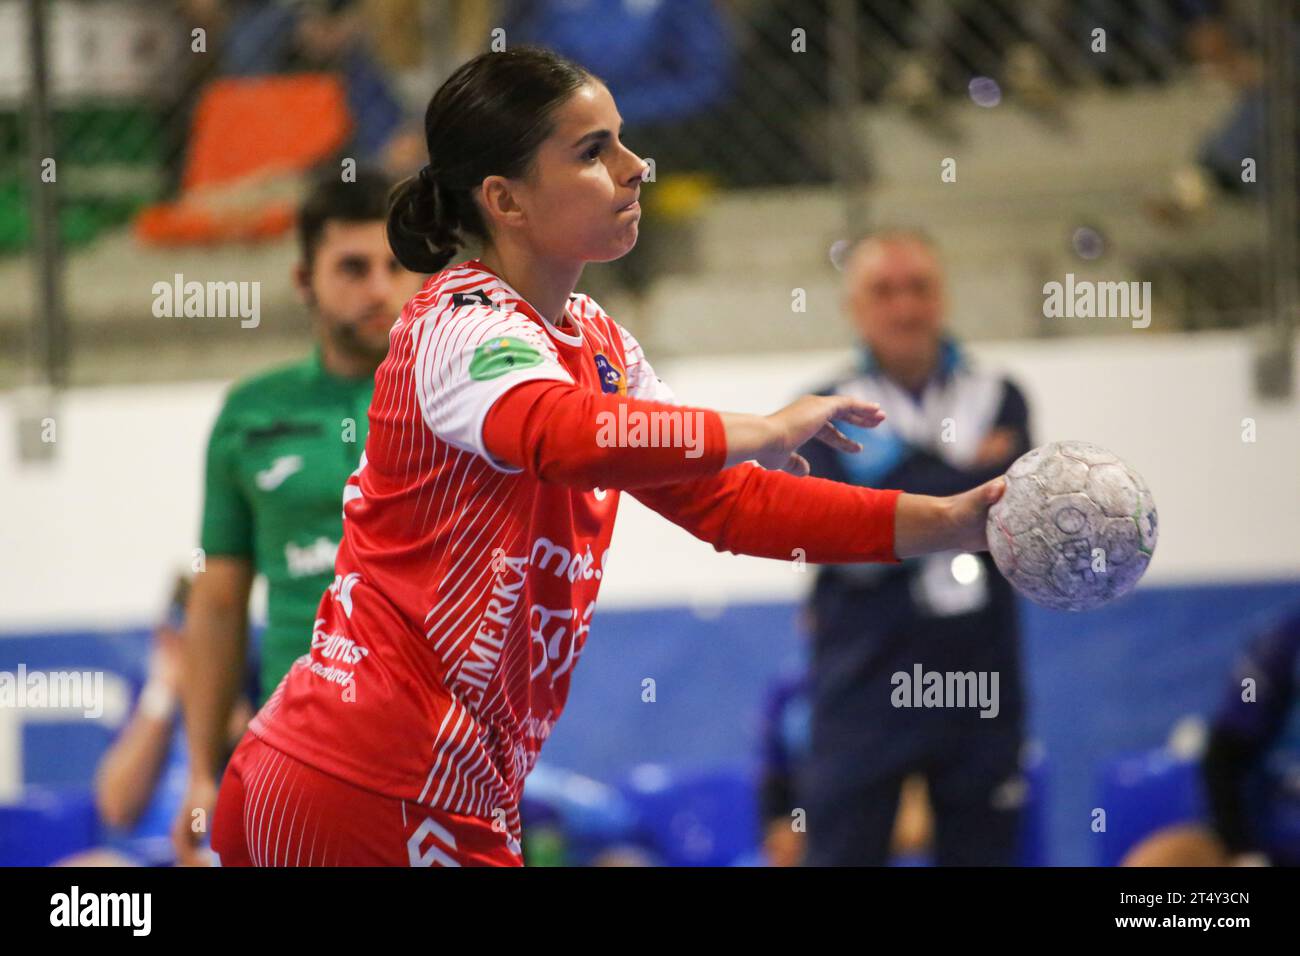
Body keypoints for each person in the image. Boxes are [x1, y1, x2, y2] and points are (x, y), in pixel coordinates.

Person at [209, 46, 1008, 868]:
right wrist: (765, 429)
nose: (634, 168)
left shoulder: (597, 342)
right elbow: (561, 435)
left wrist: (952, 523)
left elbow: (733, 505)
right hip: (360, 776)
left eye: (622, 141)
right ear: (505, 200)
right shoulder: (457, 326)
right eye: (593, 151)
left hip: (436, 787)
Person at [172, 167, 425, 865]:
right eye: (353, 267)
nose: (380, 288)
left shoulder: (461, 405)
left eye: (398, 266)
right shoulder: (249, 413)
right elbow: (219, 604)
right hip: (299, 758)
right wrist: (201, 773)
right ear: (304, 280)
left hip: (445, 758)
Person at [795, 231, 1033, 866]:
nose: (904, 308)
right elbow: (831, 530)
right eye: (883, 291)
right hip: (864, 682)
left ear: (944, 296)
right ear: (854, 307)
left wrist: (890, 484)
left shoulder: (1000, 396)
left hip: (978, 679)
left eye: (919, 288)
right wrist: (962, 480)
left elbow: (1017, 517)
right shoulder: (820, 409)